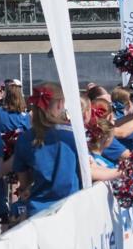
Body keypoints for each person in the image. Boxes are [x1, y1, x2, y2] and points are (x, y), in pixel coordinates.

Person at [9, 83, 83, 217]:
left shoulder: (24, 139)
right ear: (61, 104)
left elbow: (24, 182)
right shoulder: (73, 136)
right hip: (70, 210)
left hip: (38, 211)